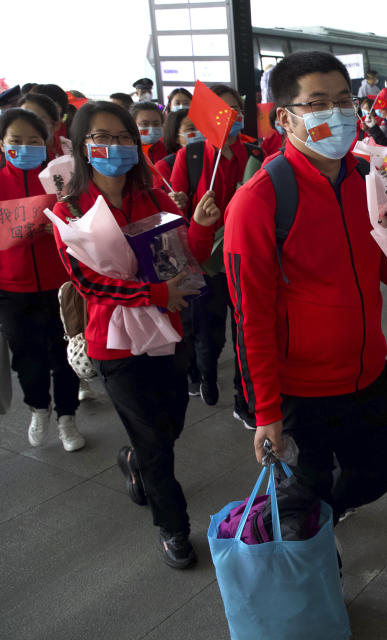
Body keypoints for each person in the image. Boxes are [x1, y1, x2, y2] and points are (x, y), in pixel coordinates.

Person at [225, 51, 387, 541]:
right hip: (300, 391)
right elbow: (251, 318)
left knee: (380, 472)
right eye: (319, 103)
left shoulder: (370, 179)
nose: (338, 112)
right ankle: (315, 546)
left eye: (345, 100)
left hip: (368, 370)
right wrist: (265, 411)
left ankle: (322, 510)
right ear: (284, 117)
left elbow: (380, 254)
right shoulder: (260, 199)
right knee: (307, 491)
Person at [50, 100, 220, 568]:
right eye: (102, 137)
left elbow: (186, 257)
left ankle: (133, 459)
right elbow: (88, 282)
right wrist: (154, 294)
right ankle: (174, 528)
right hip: (114, 343)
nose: (115, 146)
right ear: (83, 147)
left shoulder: (157, 198)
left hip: (169, 333)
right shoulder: (68, 209)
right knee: (155, 445)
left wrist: (203, 229)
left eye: (123, 137)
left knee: (171, 426)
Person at [170, 84, 259, 424]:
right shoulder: (190, 157)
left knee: (246, 334)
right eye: (221, 109)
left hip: (245, 260)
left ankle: (244, 397)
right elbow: (175, 212)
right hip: (204, 262)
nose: (229, 116)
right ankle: (206, 373)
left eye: (235, 109)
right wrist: (181, 205)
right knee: (208, 334)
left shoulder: (256, 153)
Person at [0, 108, 84, 451]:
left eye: (33, 141)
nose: (25, 147)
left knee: (64, 351)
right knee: (25, 356)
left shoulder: (59, 178)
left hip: (58, 283)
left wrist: (63, 225)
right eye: (15, 141)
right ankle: (39, 408)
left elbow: (82, 220)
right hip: (11, 287)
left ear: (46, 142)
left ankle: (67, 416)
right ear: (2, 144)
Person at [17, 93, 63, 158]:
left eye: (36, 121)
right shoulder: (12, 153)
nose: (27, 127)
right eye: (22, 121)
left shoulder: (70, 151)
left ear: (56, 125)